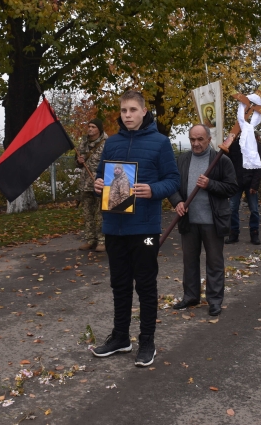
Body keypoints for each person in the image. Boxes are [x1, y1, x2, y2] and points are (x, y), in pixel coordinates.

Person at [91, 91, 180, 367]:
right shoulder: (113, 143)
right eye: (123, 110)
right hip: (114, 227)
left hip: (144, 229)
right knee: (119, 284)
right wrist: (97, 185)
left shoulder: (160, 143)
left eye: (132, 110)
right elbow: (102, 176)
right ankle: (120, 338)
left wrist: (153, 189)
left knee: (145, 283)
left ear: (143, 111)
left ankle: (147, 341)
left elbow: (173, 180)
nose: (127, 115)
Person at [168, 125, 238, 317]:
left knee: (214, 262)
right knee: (189, 260)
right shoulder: (182, 160)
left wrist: (210, 184)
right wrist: (178, 202)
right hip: (188, 220)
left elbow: (232, 187)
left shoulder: (221, 160)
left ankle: (214, 300)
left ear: (209, 139)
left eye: (200, 139)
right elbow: (172, 185)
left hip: (213, 221)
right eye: (192, 139)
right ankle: (191, 296)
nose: (196, 143)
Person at [225, 133, 261, 245]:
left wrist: (254, 185)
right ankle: (233, 233)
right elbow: (227, 160)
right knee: (232, 208)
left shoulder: (256, 146)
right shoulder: (234, 145)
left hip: (250, 181)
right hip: (236, 182)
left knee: (254, 209)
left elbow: (259, 166)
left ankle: (254, 233)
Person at [76, 119, 108, 251]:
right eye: (88, 126)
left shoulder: (107, 143)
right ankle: (90, 239)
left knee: (101, 213)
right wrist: (78, 160)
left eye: (93, 126)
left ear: (99, 129)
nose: (90, 129)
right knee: (88, 213)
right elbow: (77, 161)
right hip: (85, 183)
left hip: (100, 183)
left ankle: (102, 240)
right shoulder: (83, 142)